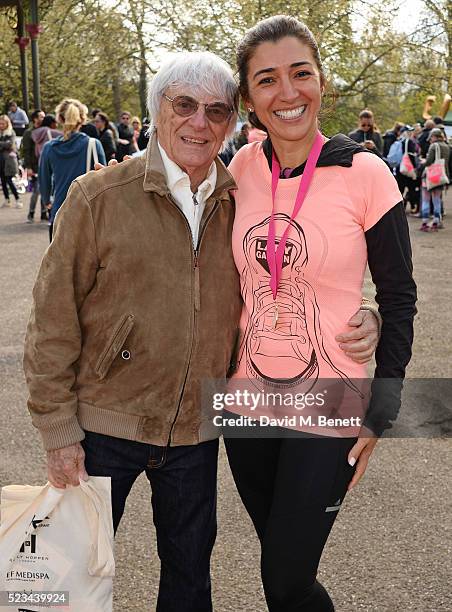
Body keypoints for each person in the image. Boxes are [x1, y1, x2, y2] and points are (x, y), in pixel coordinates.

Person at [23, 51, 380, 612]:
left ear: (234, 122)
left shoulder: (238, 196)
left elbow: (295, 270)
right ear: (157, 111)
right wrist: (57, 429)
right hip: (103, 423)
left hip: (195, 433)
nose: (199, 122)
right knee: (66, 585)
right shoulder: (98, 198)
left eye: (216, 110)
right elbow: (51, 321)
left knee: (189, 585)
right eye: (183, 105)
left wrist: (367, 314)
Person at [222, 16, 416, 611]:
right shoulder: (238, 170)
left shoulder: (365, 173)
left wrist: (380, 410)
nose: (288, 93)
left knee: (285, 576)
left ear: (322, 82)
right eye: (267, 80)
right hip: (246, 400)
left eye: (300, 73)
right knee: (282, 572)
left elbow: (399, 295)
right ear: (249, 99)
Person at [38, 98, 105, 241]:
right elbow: (105, 181)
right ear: (82, 119)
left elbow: (43, 181)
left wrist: (46, 200)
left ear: (60, 118)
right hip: (88, 215)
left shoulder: (49, 148)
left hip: (60, 212)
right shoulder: (93, 145)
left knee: (59, 261)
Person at [420, 127, 450, 231]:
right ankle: (437, 221)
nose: (430, 139)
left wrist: (422, 162)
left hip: (430, 177)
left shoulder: (434, 146)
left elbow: (429, 162)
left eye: (431, 137)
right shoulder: (447, 146)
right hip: (441, 176)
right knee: (437, 200)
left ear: (434, 136)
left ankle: (425, 222)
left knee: (426, 199)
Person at [21, 109, 47, 222]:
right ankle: (31, 213)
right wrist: (29, 167)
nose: (43, 118)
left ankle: (43, 213)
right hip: (34, 166)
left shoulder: (46, 130)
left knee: (45, 189)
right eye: (41, 117)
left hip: (45, 165)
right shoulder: (29, 133)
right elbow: (26, 151)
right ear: (35, 119)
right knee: (37, 190)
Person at [0, 114, 22, 208]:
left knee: (9, 180)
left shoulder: (11, 132)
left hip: (8, 160)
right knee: (3, 180)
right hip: (1, 160)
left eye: (3, 124)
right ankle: (7, 200)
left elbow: (9, 145)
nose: (1, 125)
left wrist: (2, 145)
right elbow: (6, 145)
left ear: (7, 123)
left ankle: (18, 199)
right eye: (0, 124)